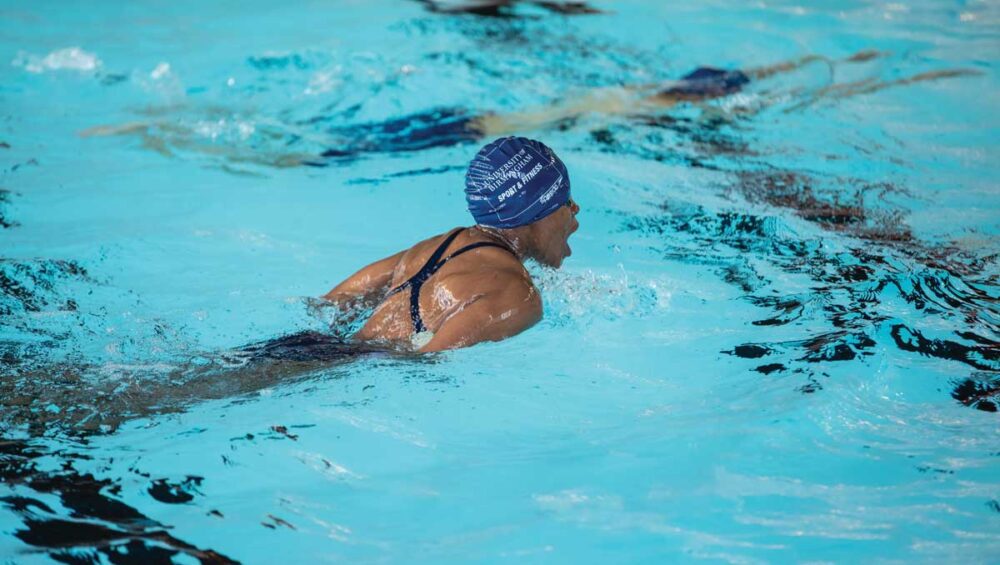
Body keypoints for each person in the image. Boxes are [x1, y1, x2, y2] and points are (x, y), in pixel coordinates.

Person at [322, 136, 579, 352]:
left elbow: (329, 305)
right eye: (566, 201)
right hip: (334, 369)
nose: (575, 208)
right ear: (536, 211)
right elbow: (419, 366)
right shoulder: (519, 296)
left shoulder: (432, 248)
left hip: (313, 349)